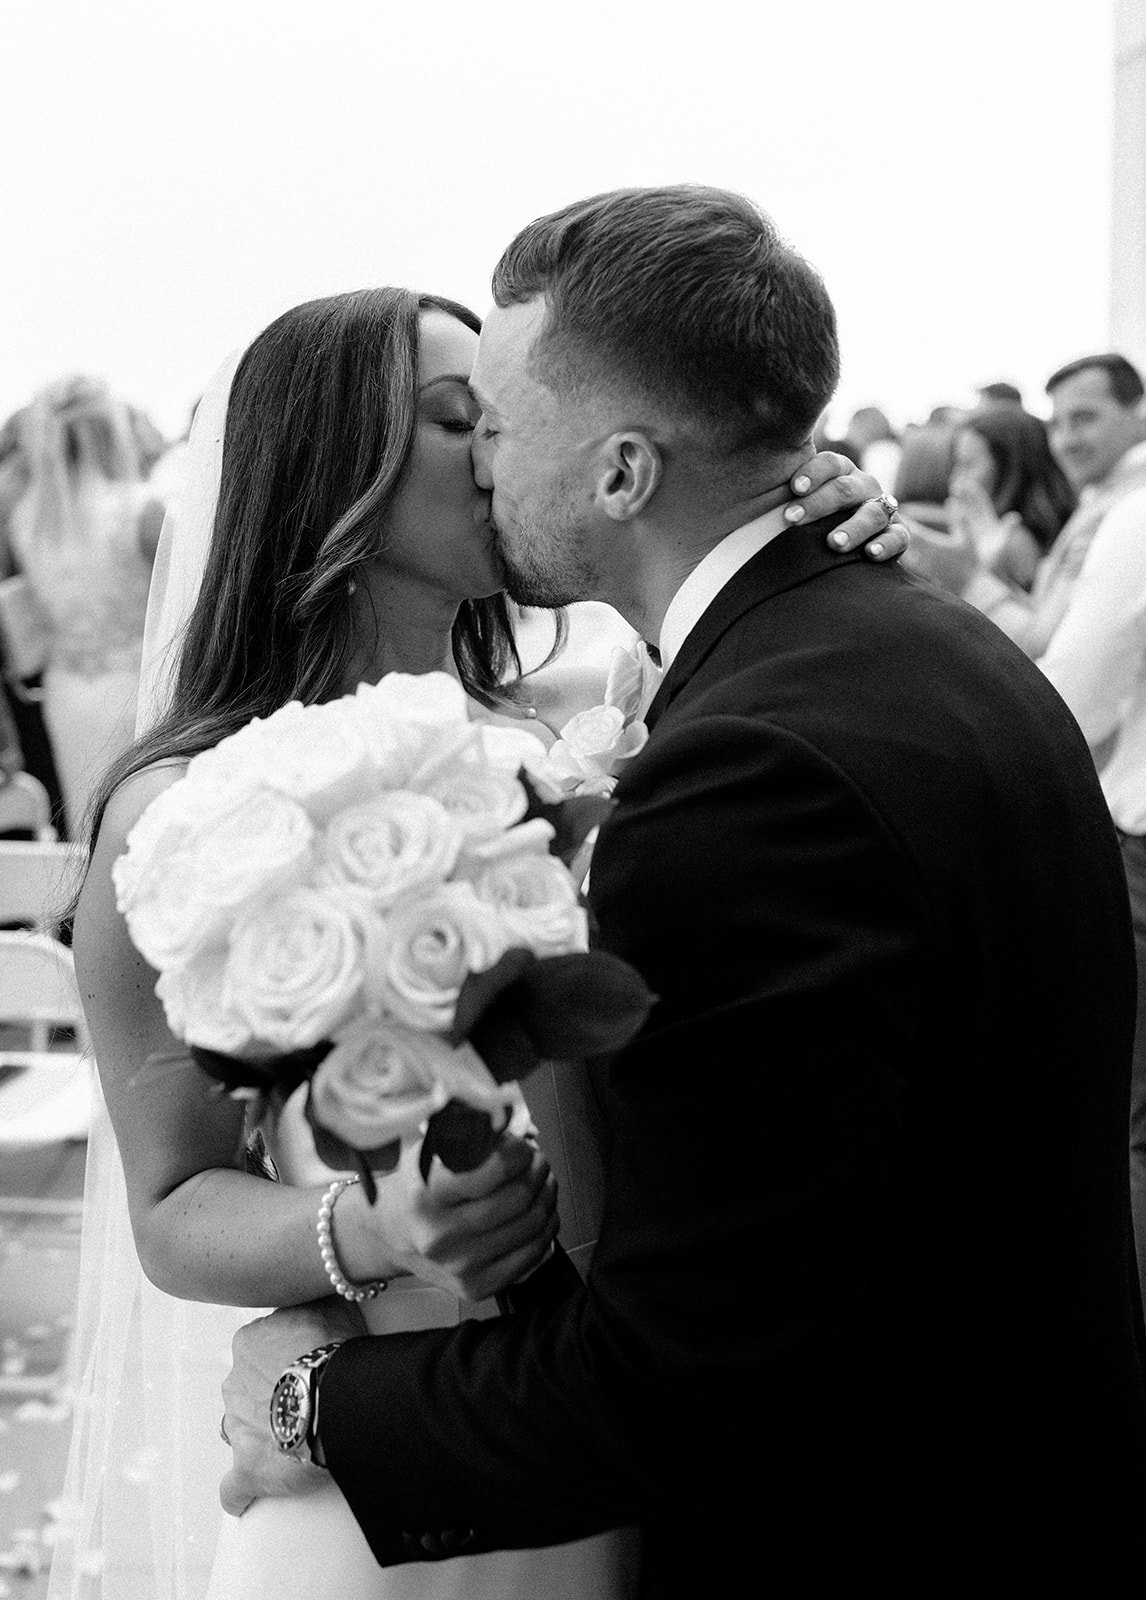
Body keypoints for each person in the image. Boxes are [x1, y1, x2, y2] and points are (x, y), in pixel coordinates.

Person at [221, 186, 1146, 1598]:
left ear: (622, 474)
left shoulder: (748, 775)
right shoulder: (936, 653)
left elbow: (684, 1387)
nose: (481, 469)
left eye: (501, 426)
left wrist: (306, 1407)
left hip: (874, 1522)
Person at [49, 282, 900, 1600]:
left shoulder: (573, 747)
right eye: (463, 418)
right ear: (338, 478)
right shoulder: (184, 814)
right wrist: (374, 1232)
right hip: (371, 1475)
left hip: (592, 1445)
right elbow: (171, 1209)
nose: (509, 445)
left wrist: (808, 528)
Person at [8, 377, 166, 837]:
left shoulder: (31, 518)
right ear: (109, 430)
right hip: (140, 687)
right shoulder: (141, 510)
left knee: (89, 824)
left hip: (68, 692)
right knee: (147, 823)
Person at [913, 354, 1146, 654]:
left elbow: (1050, 647)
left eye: (1084, 418)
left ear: (1139, 414)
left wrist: (969, 578)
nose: (1066, 440)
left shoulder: (1127, 508)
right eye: (1056, 425)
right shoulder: (1102, 498)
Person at [945, 405, 1076, 590]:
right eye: (955, 465)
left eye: (968, 465)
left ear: (1010, 471)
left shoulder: (1016, 539)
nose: (956, 479)